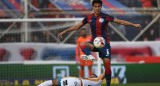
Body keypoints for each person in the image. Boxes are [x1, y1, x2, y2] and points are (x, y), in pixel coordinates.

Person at [58, 0, 141, 86]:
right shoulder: (89, 17)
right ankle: (89, 56)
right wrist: (66, 31)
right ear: (93, 7)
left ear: (101, 7)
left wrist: (134, 25)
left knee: (107, 67)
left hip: (104, 45)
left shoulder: (106, 17)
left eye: (99, 6)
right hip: (94, 43)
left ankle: (108, 84)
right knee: (83, 44)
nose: (97, 8)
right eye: (95, 6)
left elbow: (120, 21)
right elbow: (77, 26)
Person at [38, 72, 105, 86]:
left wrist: (108, 67)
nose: (90, 77)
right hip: (74, 82)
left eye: (92, 76)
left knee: (52, 82)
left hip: (75, 81)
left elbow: (101, 77)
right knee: (52, 82)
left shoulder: (97, 82)